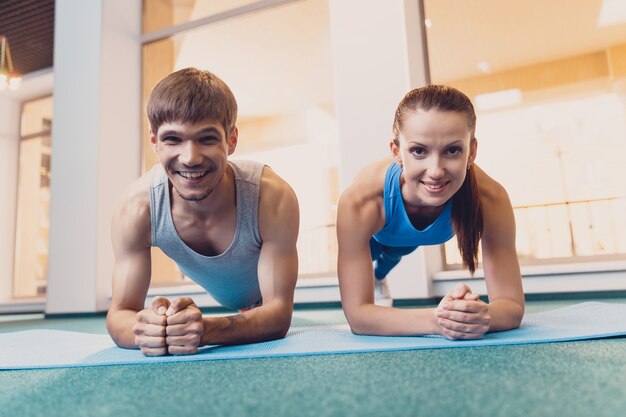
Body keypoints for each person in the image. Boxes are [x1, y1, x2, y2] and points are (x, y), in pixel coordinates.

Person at [106, 68, 299, 356]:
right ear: (154, 142)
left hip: (259, 288)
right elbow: (120, 312)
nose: (190, 158)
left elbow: (278, 314)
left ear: (231, 140)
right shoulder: (137, 208)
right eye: (173, 139)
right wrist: (147, 329)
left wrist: (206, 329)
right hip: (222, 287)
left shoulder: (272, 197)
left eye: (207, 139)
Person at [336, 85, 524, 340]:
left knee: (396, 251)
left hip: (404, 240)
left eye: (452, 150)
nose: (435, 170)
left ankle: (380, 275)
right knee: (381, 252)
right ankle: (378, 277)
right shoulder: (361, 200)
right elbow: (359, 317)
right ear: (397, 152)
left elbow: (511, 306)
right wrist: (440, 319)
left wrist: (478, 316)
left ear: (472, 152)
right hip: (377, 233)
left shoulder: (491, 199)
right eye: (419, 151)